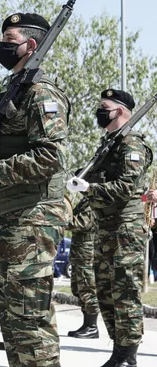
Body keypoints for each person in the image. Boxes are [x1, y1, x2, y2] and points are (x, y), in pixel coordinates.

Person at [0, 13, 69, 367]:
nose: (2, 45)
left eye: (9, 39)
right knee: (13, 323)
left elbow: (52, 156)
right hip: (6, 215)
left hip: (31, 219)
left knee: (31, 322)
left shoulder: (41, 92)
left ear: (30, 45)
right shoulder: (15, 88)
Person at [67, 88, 153, 367]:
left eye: (105, 107)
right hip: (105, 227)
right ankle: (119, 348)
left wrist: (89, 188)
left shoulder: (132, 145)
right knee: (105, 291)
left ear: (120, 111)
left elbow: (126, 187)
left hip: (125, 228)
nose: (100, 111)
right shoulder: (110, 144)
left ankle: (127, 354)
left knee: (125, 292)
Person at [66, 195, 99, 339]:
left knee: (87, 288)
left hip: (87, 253)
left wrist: (59, 221)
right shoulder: (85, 201)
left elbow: (83, 222)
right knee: (78, 289)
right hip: (79, 252)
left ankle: (92, 326)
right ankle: (86, 324)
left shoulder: (94, 201)